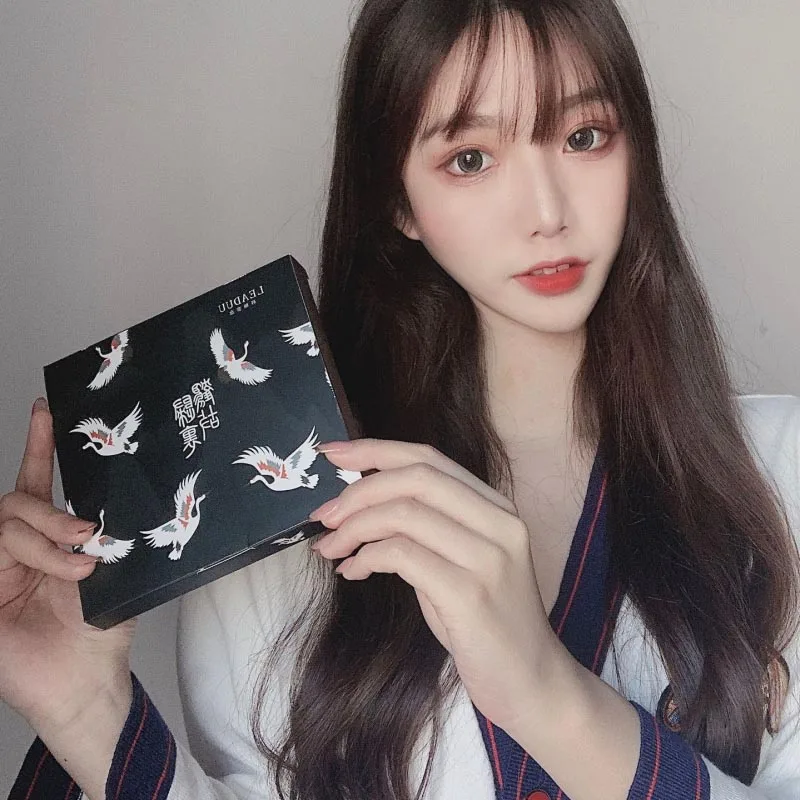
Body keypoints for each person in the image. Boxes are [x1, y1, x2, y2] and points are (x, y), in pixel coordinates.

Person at [4, 0, 800, 798]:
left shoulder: (779, 471)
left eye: (583, 137)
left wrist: (546, 693)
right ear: (397, 200)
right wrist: (85, 713)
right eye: (471, 159)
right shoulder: (290, 510)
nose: (548, 213)